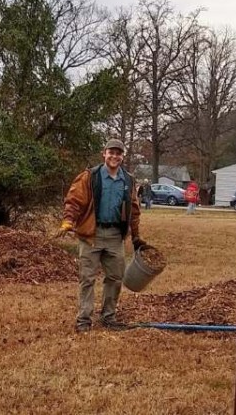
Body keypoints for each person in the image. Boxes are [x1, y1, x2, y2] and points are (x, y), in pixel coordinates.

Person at [57, 138, 146, 333]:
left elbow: (134, 209)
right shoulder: (90, 177)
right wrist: (68, 220)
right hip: (92, 234)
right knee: (87, 278)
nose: (114, 156)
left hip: (115, 236)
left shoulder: (128, 180)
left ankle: (108, 316)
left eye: (118, 153)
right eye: (111, 152)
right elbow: (74, 200)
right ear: (103, 154)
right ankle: (84, 320)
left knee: (115, 278)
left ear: (123, 156)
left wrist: (136, 235)